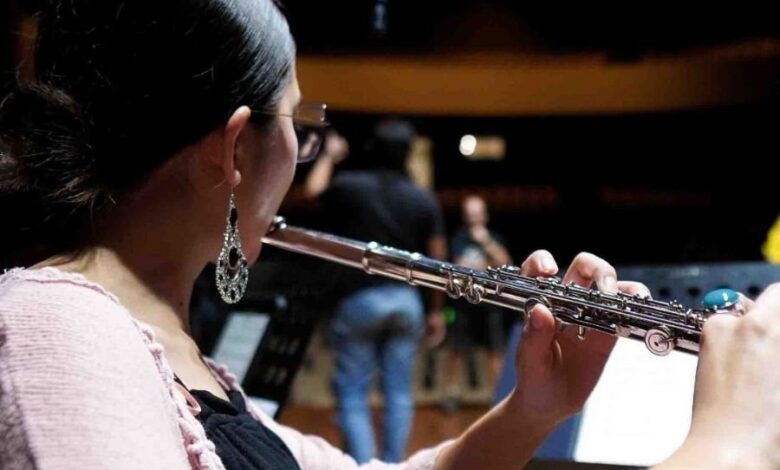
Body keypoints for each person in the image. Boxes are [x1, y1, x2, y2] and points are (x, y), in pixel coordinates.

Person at [1, 1, 778, 469]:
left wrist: (534, 408)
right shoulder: (59, 330)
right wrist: (729, 445)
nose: (301, 154)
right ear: (235, 150)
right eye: (299, 127)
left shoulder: (164, 351)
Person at [303, 122, 447, 462]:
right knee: (398, 391)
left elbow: (312, 190)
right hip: (406, 302)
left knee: (353, 391)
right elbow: (438, 260)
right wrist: (436, 311)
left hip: (360, 300)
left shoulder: (352, 186)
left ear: (372, 149)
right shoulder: (422, 198)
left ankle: (365, 467)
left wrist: (330, 156)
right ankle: (394, 465)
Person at [443, 195, 512, 409]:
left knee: (495, 351)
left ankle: (500, 398)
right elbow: (459, 267)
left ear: (484, 215)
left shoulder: (495, 238)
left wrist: (486, 243)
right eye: (468, 214)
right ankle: (451, 395)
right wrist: (485, 267)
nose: (472, 218)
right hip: (464, 305)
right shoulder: (458, 238)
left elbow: (505, 264)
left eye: (476, 213)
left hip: (490, 304)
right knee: (457, 351)